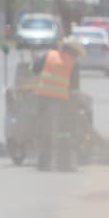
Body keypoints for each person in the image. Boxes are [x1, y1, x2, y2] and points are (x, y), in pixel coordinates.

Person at [33, 38, 84, 171]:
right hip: (62, 101)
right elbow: (74, 89)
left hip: (43, 97)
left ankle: (43, 164)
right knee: (64, 132)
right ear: (74, 52)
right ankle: (64, 164)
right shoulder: (73, 63)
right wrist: (75, 108)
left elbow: (33, 68)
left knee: (45, 131)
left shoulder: (48, 55)